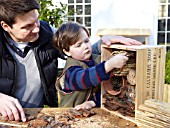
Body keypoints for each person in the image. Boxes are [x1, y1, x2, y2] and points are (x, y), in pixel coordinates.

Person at [0, 0, 142, 122]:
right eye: (27, 26)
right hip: (5, 117)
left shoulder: (46, 32)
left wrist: (102, 45)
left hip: (36, 114)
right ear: (5, 26)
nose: (37, 29)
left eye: (36, 20)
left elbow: (76, 50)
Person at [53, 22, 131, 109]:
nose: (85, 46)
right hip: (70, 114)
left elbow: (99, 90)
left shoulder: (94, 58)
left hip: (91, 113)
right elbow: (85, 78)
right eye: (78, 45)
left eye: (86, 41)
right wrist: (109, 65)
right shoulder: (70, 71)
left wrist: (93, 102)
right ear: (67, 51)